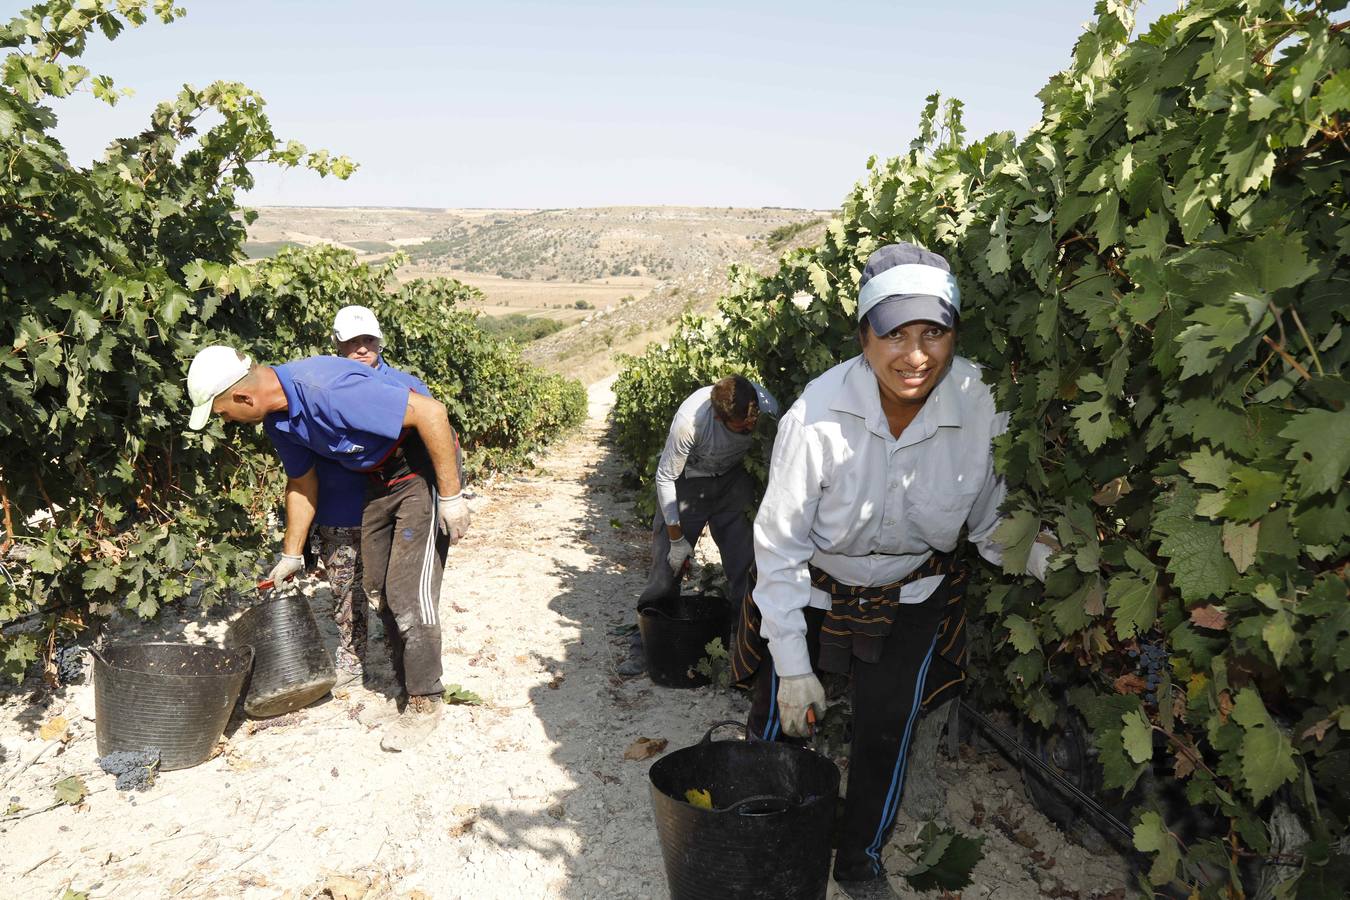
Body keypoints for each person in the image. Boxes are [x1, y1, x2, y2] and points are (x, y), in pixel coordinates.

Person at [729, 243, 1053, 899]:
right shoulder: (816, 417)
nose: (916, 354)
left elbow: (991, 524)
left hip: (912, 596)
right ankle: (762, 851)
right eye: (895, 332)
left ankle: (859, 858)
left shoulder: (981, 404)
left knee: (886, 733)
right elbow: (781, 546)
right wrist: (792, 667)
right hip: (815, 591)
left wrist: (1062, 567)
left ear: (955, 332)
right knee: (778, 727)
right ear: (863, 336)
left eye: (933, 331)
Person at [185, 344, 470, 751]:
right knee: (378, 588)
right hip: (379, 479)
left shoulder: (326, 388)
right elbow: (302, 483)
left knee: (409, 593)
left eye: (224, 412)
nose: (227, 421)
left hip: (418, 468)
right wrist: (291, 553)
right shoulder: (279, 422)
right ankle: (405, 693)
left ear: (244, 396)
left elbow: (431, 413)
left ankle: (427, 702)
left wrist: (451, 496)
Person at [619, 375, 778, 677]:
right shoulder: (689, 423)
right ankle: (644, 644)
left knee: (746, 566)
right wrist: (677, 540)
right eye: (741, 425)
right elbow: (665, 478)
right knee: (666, 573)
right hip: (688, 484)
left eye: (752, 419)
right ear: (718, 417)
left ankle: (745, 642)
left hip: (733, 483)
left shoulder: (767, 407)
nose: (750, 427)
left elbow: (775, 461)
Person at [311, 305, 432, 682]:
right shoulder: (322, 389)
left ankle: (403, 661)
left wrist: (447, 499)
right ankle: (351, 658)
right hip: (341, 508)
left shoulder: (407, 387)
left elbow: (435, 442)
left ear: (380, 342)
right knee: (345, 589)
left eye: (368, 340)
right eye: (352, 343)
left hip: (396, 504)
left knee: (395, 590)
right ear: (337, 345)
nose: (362, 349)